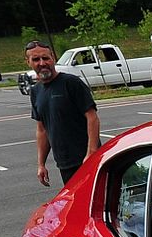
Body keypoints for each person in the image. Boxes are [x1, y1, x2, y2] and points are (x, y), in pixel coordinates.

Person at [25, 40, 99, 187]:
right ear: (28, 62)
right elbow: (42, 129)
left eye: (45, 58)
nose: (42, 63)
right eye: (36, 59)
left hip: (86, 160)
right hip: (64, 164)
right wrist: (41, 164)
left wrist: (91, 153)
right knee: (76, 205)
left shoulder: (70, 83)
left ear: (53, 58)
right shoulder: (36, 91)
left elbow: (92, 117)